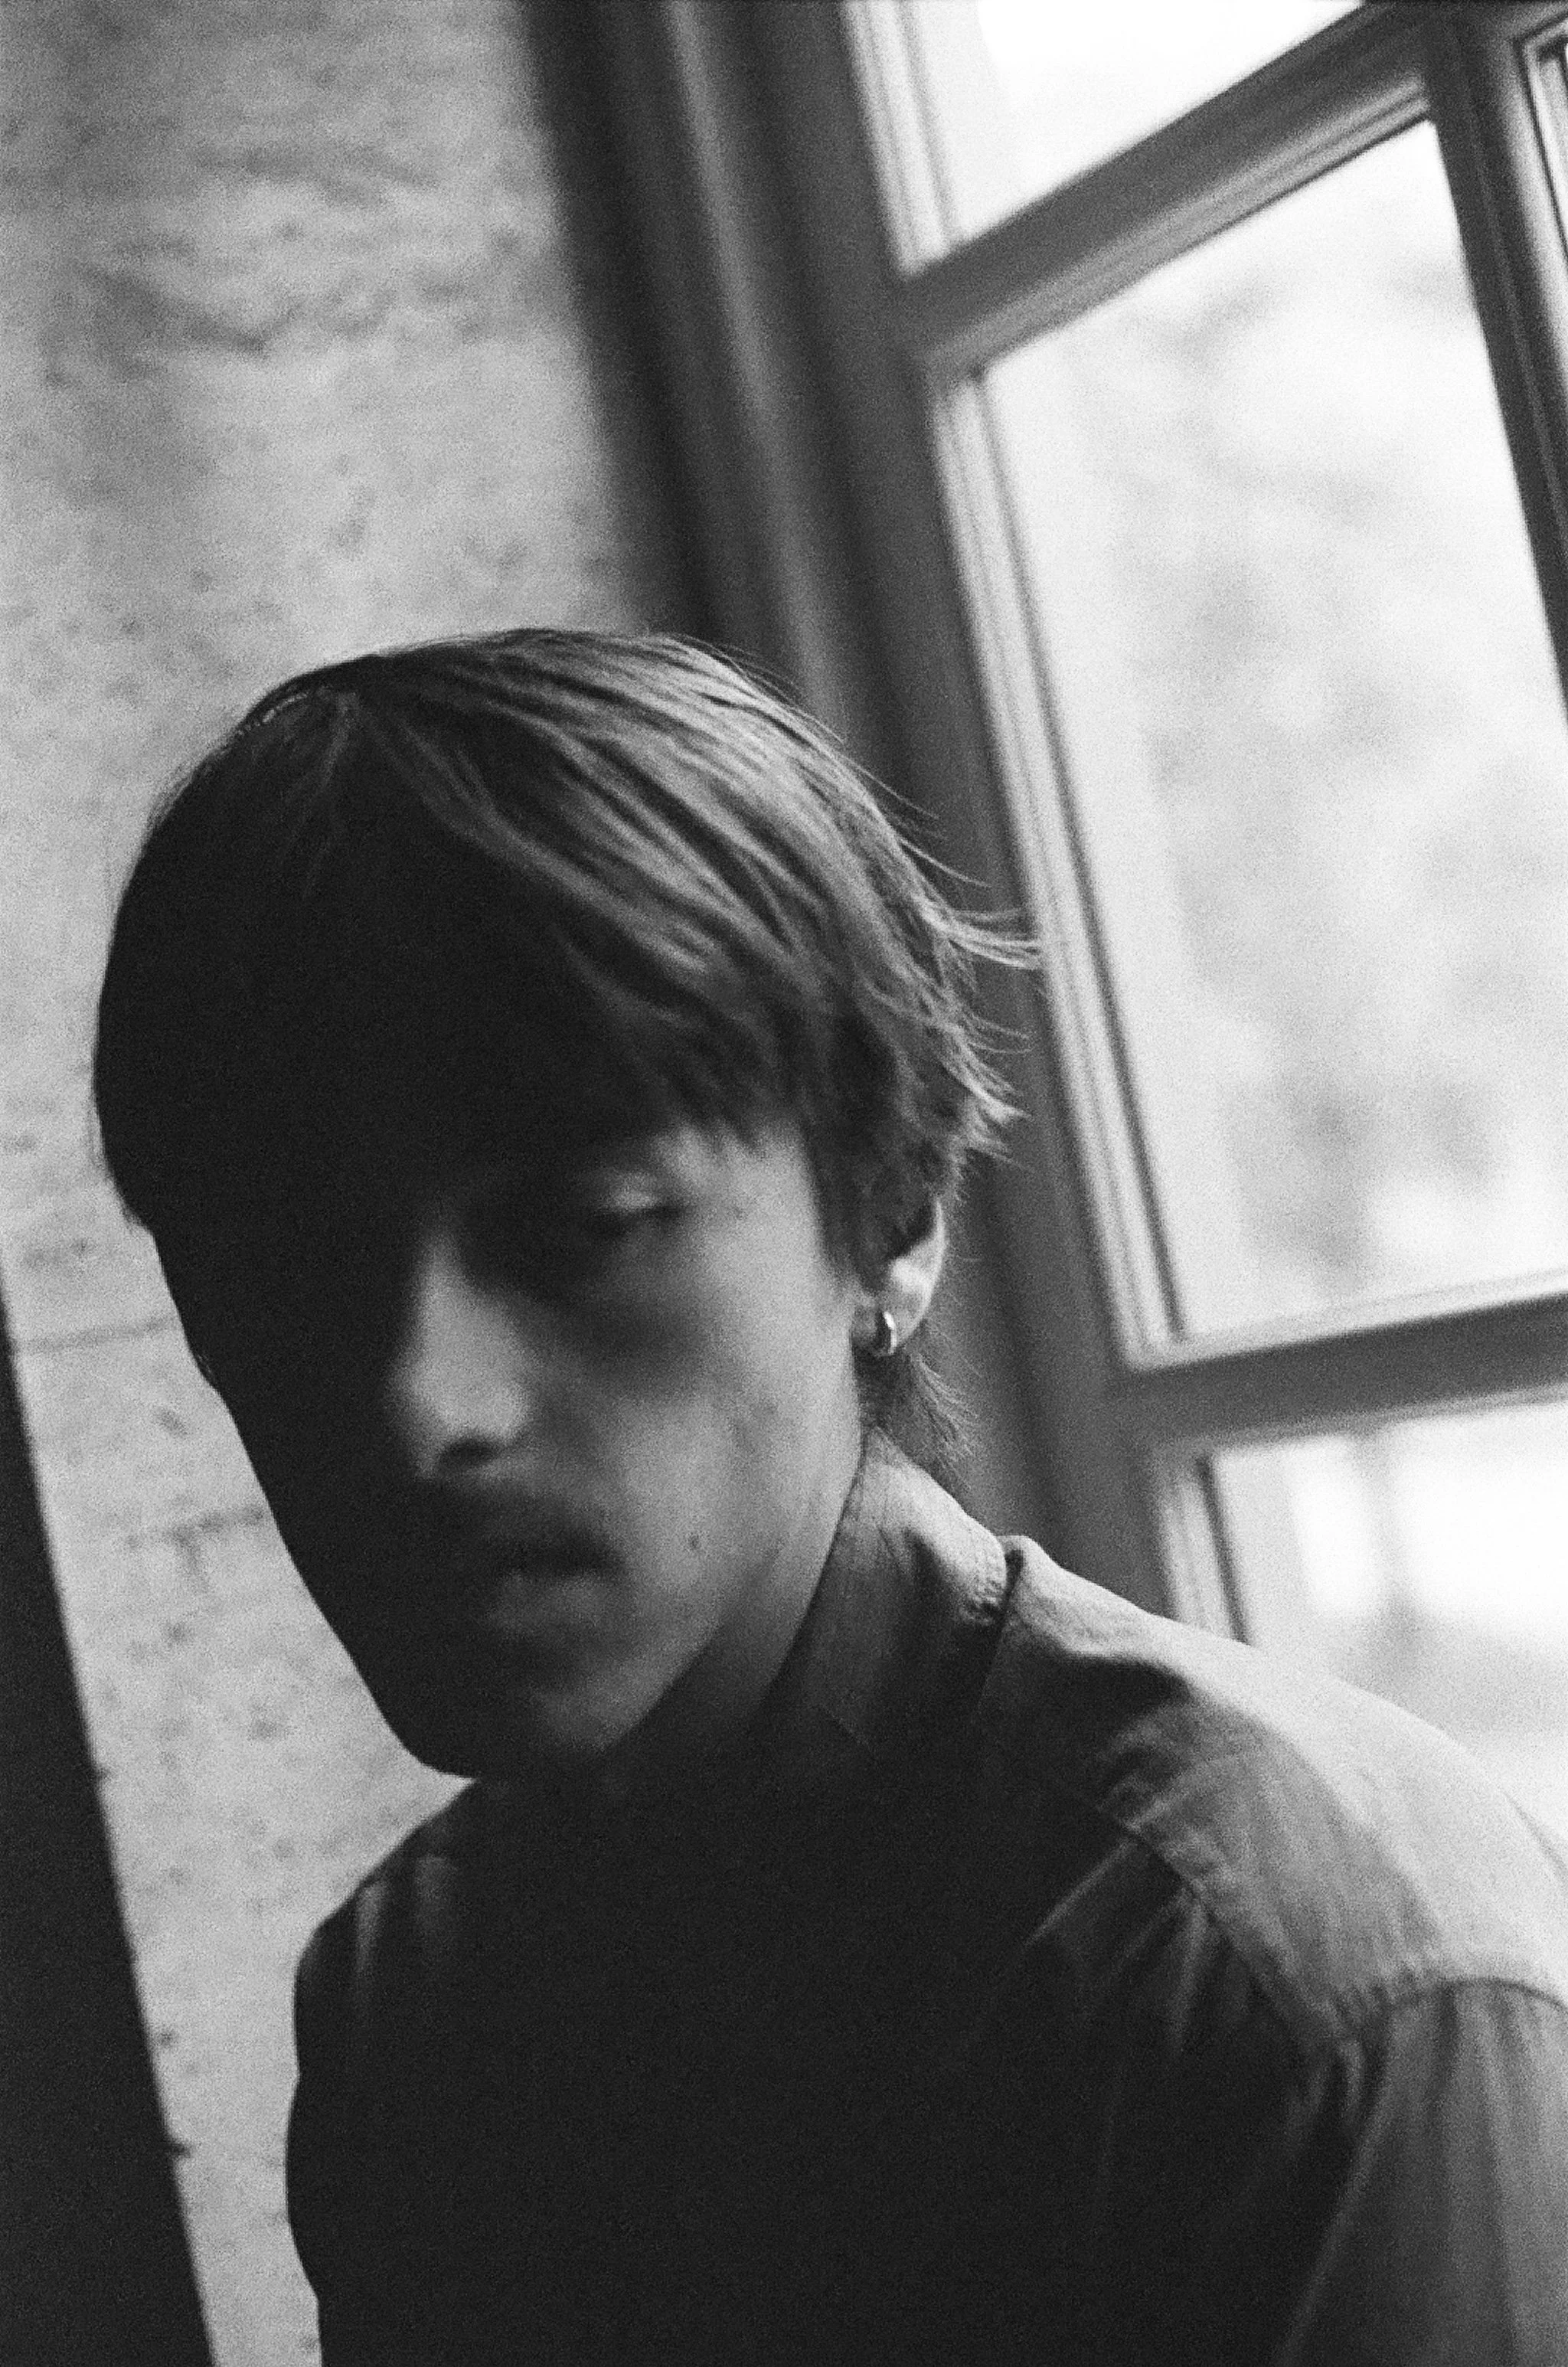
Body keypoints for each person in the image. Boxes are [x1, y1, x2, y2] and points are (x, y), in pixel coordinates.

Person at [94, 629, 1568, 2365]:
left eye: (579, 1228)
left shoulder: (1276, 1980)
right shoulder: (412, 1999)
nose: (415, 1407)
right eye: (280, 1273)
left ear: (892, 1217)